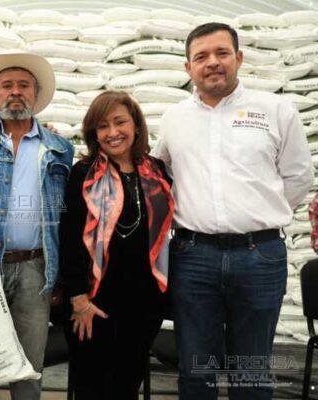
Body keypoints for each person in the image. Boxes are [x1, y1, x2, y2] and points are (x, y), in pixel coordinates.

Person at [153, 22, 313, 400]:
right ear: (188, 67)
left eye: (222, 53)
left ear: (238, 58)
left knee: (251, 370)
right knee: (196, 369)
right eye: (201, 56)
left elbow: (298, 177)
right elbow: (161, 177)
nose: (212, 62)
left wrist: (257, 215)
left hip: (260, 256)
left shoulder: (276, 110)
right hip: (194, 257)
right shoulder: (174, 118)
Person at [0, 53, 74, 399]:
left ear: (36, 94)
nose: (16, 92)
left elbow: (66, 220)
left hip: (35, 270)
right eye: (7, 86)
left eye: (24, 85)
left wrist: (60, 277)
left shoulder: (59, 148)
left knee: (28, 369)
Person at [59, 90, 174, 399]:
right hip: (94, 303)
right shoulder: (83, 174)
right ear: (93, 133)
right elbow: (68, 238)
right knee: (92, 389)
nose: (113, 132)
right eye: (103, 126)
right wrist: (78, 300)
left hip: (144, 304)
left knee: (126, 387)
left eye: (120, 122)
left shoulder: (157, 171)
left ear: (135, 125)